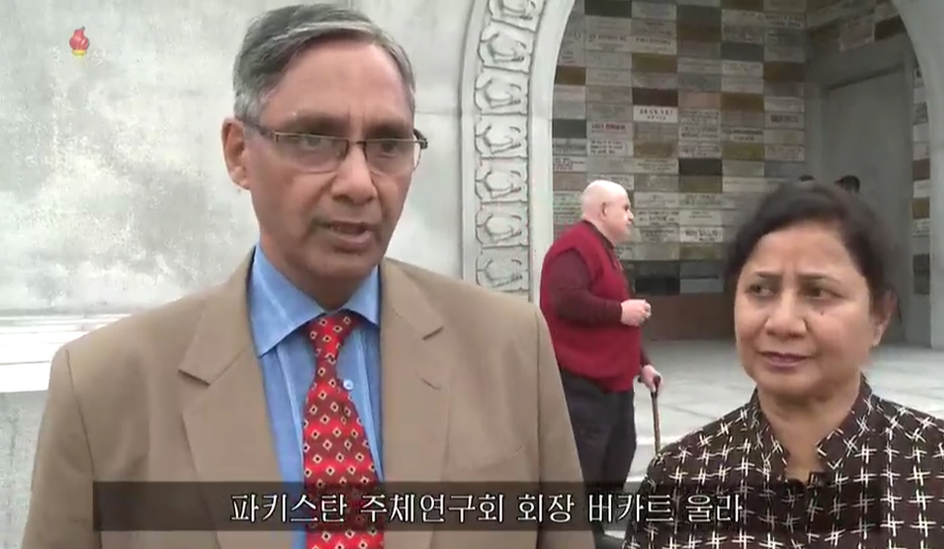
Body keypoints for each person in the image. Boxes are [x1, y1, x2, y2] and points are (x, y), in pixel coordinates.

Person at [22, 5, 593, 549]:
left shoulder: (510, 348)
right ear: (239, 152)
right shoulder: (104, 387)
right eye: (315, 139)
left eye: (388, 144)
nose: (359, 183)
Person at [623, 181, 944, 548]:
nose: (782, 322)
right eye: (761, 290)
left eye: (817, 292)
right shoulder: (679, 475)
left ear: (880, 315)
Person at [539, 180, 663, 546]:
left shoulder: (602, 249)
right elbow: (566, 301)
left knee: (618, 455)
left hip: (615, 383)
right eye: (625, 208)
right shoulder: (573, 248)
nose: (631, 216)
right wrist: (619, 311)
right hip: (582, 382)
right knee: (585, 464)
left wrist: (643, 364)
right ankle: (574, 535)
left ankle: (593, 530)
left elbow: (620, 318)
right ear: (602, 210)